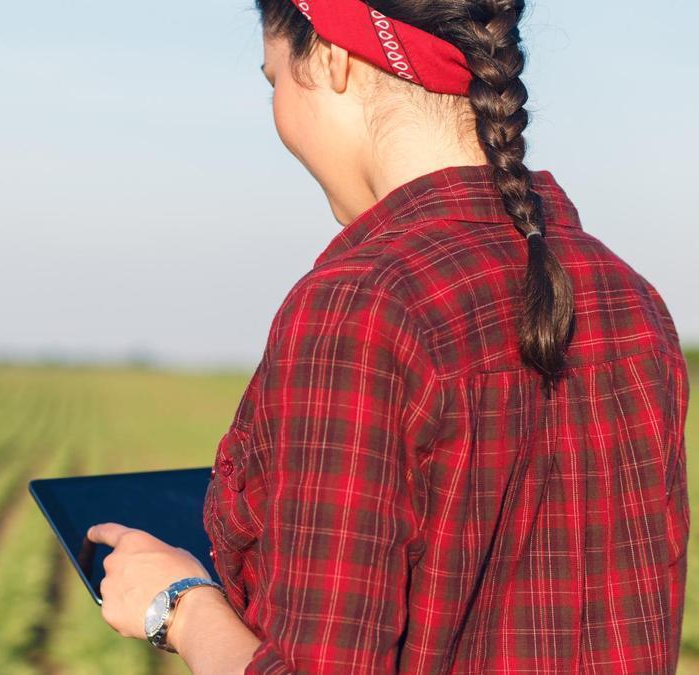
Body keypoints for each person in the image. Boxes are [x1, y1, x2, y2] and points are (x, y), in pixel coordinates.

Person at [86, 0, 690, 672]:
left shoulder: (362, 306)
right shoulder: (631, 300)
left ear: (336, 57)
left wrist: (180, 605)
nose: (278, 111)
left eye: (274, 81)